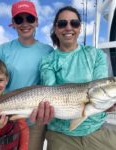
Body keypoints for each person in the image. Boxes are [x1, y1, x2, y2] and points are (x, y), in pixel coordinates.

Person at [0, 1, 54, 150]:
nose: (25, 23)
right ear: (13, 23)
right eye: (19, 19)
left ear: (37, 22)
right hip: (4, 119)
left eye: (30, 19)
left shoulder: (48, 51)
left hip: (34, 123)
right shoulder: (3, 50)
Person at [39, 6, 116, 150]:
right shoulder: (47, 60)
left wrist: (108, 103)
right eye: (62, 24)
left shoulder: (96, 55)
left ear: (80, 28)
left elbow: (99, 92)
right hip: (61, 134)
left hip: (97, 130)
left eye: (74, 23)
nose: (69, 27)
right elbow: (50, 92)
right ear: (55, 29)